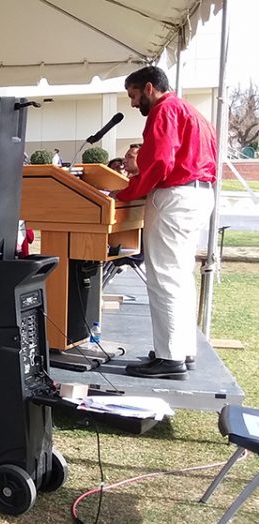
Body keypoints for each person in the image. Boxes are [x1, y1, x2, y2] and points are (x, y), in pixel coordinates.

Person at [117, 66, 217, 380]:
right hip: (198, 194)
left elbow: (159, 161)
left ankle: (170, 356)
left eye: (133, 95)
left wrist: (129, 191)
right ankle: (181, 350)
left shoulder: (164, 110)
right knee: (179, 276)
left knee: (164, 277)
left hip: (175, 196)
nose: (133, 104)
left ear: (149, 88)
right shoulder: (191, 111)